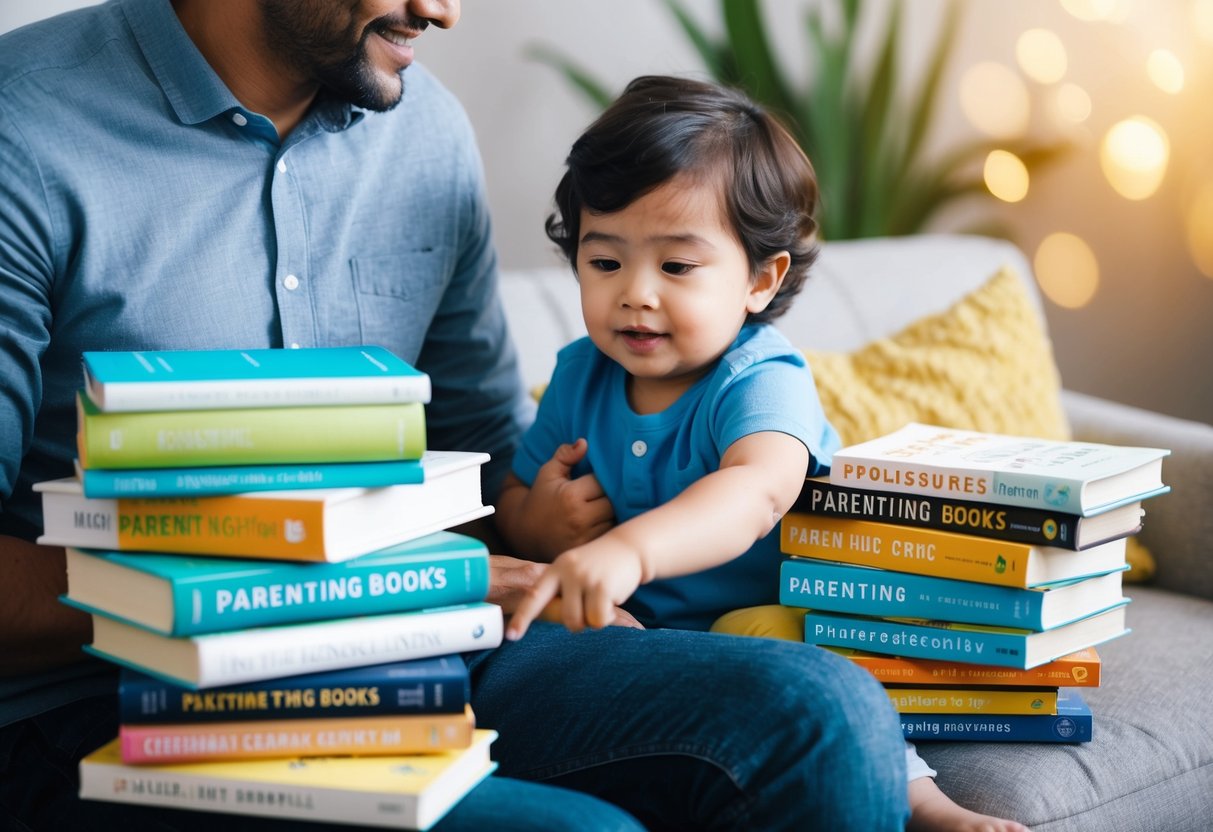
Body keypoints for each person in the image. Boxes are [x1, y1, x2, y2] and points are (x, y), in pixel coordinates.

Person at [0, 2, 910, 830]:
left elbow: (481, 462)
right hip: (112, 697)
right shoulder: (26, 127)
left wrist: (538, 527)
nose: (444, 8)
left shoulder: (422, 129)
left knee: (819, 717)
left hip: (434, 643)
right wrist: (354, 588)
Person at [496, 75, 1028, 832]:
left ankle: (926, 803)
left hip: (786, 611)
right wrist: (541, 525)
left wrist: (628, 552)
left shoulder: (758, 377)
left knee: (820, 677)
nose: (634, 294)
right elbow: (515, 499)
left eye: (676, 267)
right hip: (656, 645)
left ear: (758, 278)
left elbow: (754, 491)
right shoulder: (580, 374)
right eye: (604, 262)